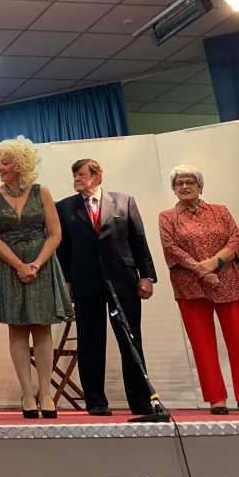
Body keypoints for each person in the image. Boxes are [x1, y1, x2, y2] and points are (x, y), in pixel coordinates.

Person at [56, 158, 158, 416]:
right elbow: (63, 250)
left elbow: (139, 241)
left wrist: (147, 276)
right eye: (74, 175)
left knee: (130, 339)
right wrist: (66, 281)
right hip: (85, 281)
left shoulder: (124, 201)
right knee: (90, 341)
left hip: (123, 280)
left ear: (97, 176)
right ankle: (96, 402)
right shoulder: (64, 207)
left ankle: (141, 401)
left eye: (81, 174)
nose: (77, 179)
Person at [0, 137, 72, 419]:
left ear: (20, 165)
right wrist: (19, 265)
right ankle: (27, 394)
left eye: (5, 163)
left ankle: (45, 393)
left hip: (41, 264)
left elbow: (55, 234)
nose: (0, 167)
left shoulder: (41, 191)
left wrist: (35, 264)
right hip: (9, 266)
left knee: (42, 327)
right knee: (18, 328)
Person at [158, 164, 239, 416]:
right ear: (174, 189)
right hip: (190, 287)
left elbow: (235, 239)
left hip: (229, 282)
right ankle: (216, 400)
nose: (185, 186)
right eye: (179, 183)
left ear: (200, 186)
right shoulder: (167, 217)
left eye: (190, 182)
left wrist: (214, 263)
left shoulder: (220, 211)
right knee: (203, 346)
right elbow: (170, 247)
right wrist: (201, 270)